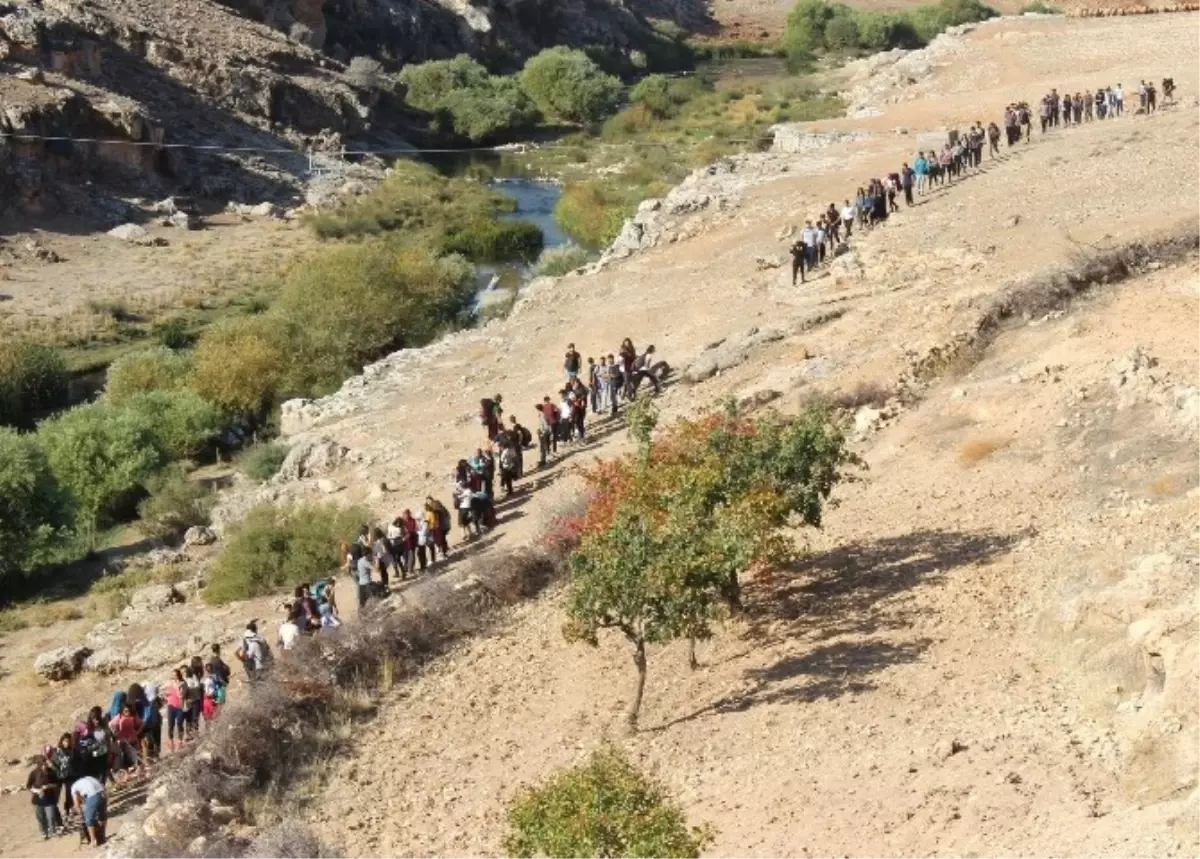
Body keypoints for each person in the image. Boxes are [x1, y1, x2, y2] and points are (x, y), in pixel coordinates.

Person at [28, 756, 63, 839]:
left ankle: (53, 831)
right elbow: (29, 785)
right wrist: (36, 790)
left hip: (49, 797)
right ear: (39, 765)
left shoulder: (51, 772)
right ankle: (43, 832)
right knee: (40, 817)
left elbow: (57, 783)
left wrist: (49, 786)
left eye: (45, 764)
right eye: (43, 764)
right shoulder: (34, 773)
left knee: (50, 816)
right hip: (37, 799)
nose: (45, 766)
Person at [71, 774, 107, 846]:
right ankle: (102, 837)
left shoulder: (73, 787)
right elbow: (83, 799)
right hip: (103, 793)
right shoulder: (89, 778)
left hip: (93, 795)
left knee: (89, 820)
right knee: (102, 816)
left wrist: (81, 814)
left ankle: (93, 841)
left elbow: (76, 804)